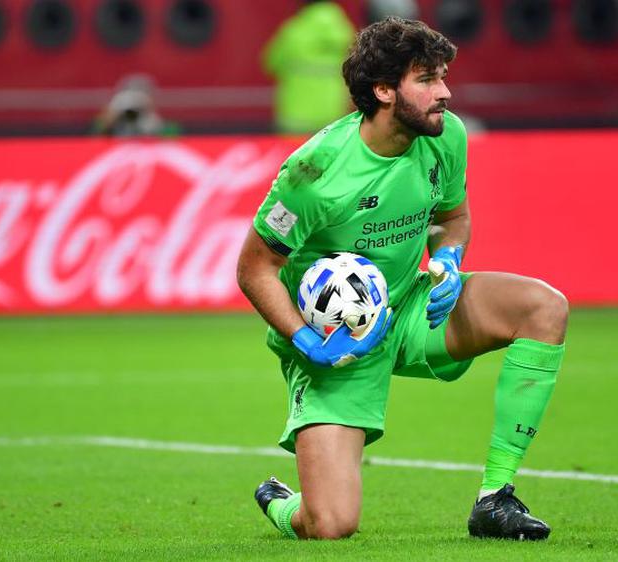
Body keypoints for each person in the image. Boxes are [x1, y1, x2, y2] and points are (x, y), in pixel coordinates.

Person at [236, 16, 568, 541]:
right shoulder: (315, 174)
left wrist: (449, 264)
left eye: (443, 77)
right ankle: (283, 503)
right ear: (384, 90)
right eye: (428, 80)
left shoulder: (444, 136)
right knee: (331, 525)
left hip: (412, 306)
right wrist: (305, 339)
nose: (446, 92)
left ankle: (495, 499)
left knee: (544, 307)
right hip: (335, 341)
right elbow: (255, 267)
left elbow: (452, 219)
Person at [261, 0, 355, 134]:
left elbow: (270, 63)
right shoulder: (345, 33)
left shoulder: (293, 32)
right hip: (333, 118)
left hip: (295, 119)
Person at [91, 74, 179, 138]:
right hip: (119, 143)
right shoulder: (119, 105)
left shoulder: (151, 119)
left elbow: (167, 135)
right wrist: (112, 119)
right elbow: (99, 132)